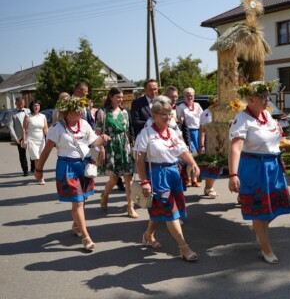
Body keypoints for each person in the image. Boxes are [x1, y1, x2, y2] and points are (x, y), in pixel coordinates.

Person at [34, 97, 110, 251]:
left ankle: (77, 224)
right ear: (67, 112)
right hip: (67, 166)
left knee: (83, 198)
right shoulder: (57, 128)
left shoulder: (84, 124)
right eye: (77, 110)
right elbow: (47, 150)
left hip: (84, 165)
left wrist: (102, 139)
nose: (80, 112)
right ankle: (86, 237)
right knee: (78, 201)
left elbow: (92, 142)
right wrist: (39, 169)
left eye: (81, 110)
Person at [228, 80, 290, 264]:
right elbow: (235, 148)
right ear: (250, 99)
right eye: (262, 96)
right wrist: (233, 175)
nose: (267, 99)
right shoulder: (242, 119)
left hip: (272, 166)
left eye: (267, 96)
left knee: (275, 205)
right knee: (259, 211)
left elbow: (273, 139)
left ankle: (258, 228)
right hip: (254, 168)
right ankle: (266, 248)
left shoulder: (267, 115)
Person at [134, 96, 199, 261]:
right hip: (156, 175)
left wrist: (192, 163)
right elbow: (139, 160)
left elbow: (183, 151)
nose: (168, 117)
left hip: (173, 174)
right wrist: (144, 181)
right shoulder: (146, 133)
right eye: (164, 114)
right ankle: (184, 247)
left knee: (160, 210)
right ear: (154, 115)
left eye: (169, 114)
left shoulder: (173, 132)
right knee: (170, 212)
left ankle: (148, 235)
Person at [95, 87, 137, 218]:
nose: (121, 99)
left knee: (128, 179)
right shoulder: (102, 112)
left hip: (124, 146)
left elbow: (128, 130)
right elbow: (98, 133)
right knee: (113, 179)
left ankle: (130, 207)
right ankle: (105, 195)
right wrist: (101, 149)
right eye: (118, 97)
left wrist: (133, 144)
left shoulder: (125, 111)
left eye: (121, 97)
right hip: (110, 147)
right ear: (110, 97)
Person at [176, 87, 203, 187]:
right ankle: (188, 177)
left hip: (198, 132)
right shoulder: (181, 107)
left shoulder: (197, 105)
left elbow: (202, 118)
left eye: (191, 95)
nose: (190, 97)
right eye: (187, 95)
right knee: (190, 156)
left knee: (197, 156)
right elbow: (181, 122)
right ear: (184, 96)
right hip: (188, 133)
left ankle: (194, 179)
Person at [22, 100, 48, 184]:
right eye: (34, 106)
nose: (36, 107)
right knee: (37, 158)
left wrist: (49, 138)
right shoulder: (28, 116)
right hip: (31, 140)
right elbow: (24, 129)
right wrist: (24, 140)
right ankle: (41, 177)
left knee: (40, 158)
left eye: (38, 105)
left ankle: (37, 172)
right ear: (32, 107)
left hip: (41, 140)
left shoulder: (43, 116)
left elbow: (45, 128)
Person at [199, 94, 220, 199]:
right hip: (212, 143)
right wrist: (202, 144)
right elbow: (202, 130)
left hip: (227, 141)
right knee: (213, 165)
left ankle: (241, 193)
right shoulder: (207, 113)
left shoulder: (227, 111)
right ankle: (208, 188)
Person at [8, 97, 32, 176]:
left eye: (22, 104)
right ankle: (25, 170)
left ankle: (33, 168)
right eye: (19, 104)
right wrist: (14, 137)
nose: (21, 105)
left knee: (33, 152)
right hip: (19, 136)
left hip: (29, 135)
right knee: (22, 154)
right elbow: (10, 126)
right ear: (16, 103)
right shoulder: (12, 113)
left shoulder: (28, 111)